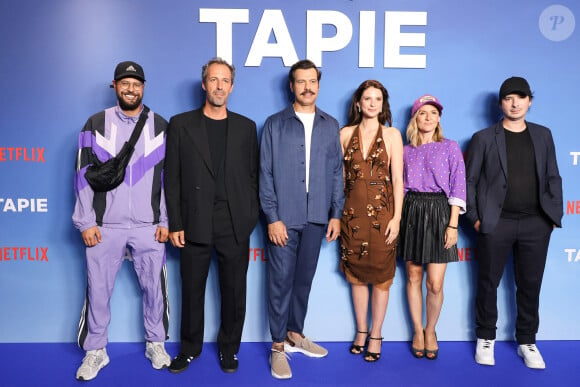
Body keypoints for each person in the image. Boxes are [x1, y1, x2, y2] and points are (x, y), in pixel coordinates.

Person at [73, 61, 171, 381]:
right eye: (124, 83)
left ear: (144, 87)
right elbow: (82, 173)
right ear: (114, 86)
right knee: (98, 291)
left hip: (148, 225)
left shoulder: (161, 126)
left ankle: (156, 343)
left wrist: (166, 220)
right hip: (105, 226)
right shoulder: (95, 123)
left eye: (137, 84)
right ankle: (96, 351)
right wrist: (86, 221)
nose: (131, 89)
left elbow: (171, 180)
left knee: (154, 290)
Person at [164, 58, 259, 374]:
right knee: (191, 291)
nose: (219, 86)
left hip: (233, 223)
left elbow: (252, 176)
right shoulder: (180, 124)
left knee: (234, 293)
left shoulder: (246, 127)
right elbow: (172, 177)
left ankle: (229, 350)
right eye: (214, 80)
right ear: (204, 84)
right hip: (193, 222)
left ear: (232, 86)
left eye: (225, 80)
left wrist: (248, 217)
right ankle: (189, 349)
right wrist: (175, 222)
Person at [466, 77, 562, 369]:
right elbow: (469, 181)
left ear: (529, 101)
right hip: (496, 223)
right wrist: (476, 219)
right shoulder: (483, 138)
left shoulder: (543, 135)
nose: (515, 103)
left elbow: (553, 176)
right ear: (500, 103)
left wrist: (551, 215)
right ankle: (486, 337)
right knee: (487, 283)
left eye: (520, 97)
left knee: (530, 284)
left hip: (536, 223)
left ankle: (527, 340)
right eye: (509, 98)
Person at [259, 59, 344, 379]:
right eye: (301, 81)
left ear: (318, 86)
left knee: (303, 281)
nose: (307, 87)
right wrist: (272, 217)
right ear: (291, 86)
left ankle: (295, 334)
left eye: (312, 81)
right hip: (284, 216)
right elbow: (264, 173)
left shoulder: (329, 124)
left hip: (317, 217)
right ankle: (278, 347)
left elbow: (337, 173)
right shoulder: (274, 124)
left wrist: (336, 214)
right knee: (280, 283)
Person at [339, 80, 403, 362]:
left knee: (381, 278)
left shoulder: (392, 135)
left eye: (377, 98)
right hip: (351, 216)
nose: (372, 103)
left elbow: (399, 180)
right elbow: (339, 180)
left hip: (383, 217)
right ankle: (361, 331)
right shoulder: (344, 134)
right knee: (355, 277)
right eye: (367, 98)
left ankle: (376, 334)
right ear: (358, 103)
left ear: (383, 103)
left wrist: (397, 218)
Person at [398, 95, 466, 360]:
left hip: (440, 211)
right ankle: (417, 330)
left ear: (439, 119)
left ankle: (431, 329)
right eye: (423, 113)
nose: (428, 117)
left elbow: (458, 184)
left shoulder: (450, 147)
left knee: (435, 284)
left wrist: (453, 224)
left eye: (433, 113)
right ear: (415, 118)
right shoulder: (405, 150)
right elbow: (399, 187)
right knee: (413, 277)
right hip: (412, 210)